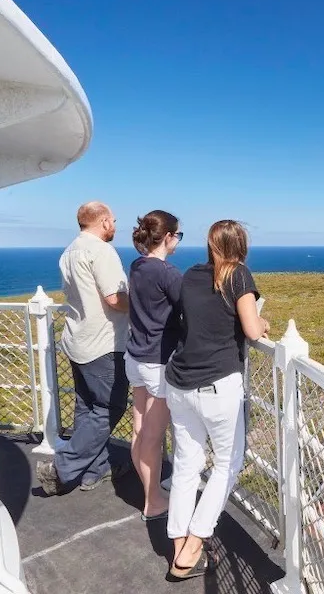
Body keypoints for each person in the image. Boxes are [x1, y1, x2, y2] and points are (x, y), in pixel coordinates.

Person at [163, 220, 269, 581]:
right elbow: (252, 329)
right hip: (215, 386)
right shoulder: (238, 275)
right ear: (241, 246)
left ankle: (177, 546)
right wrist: (262, 321)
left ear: (210, 245)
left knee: (186, 463)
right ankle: (195, 541)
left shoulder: (191, 274)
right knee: (227, 464)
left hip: (179, 383)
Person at [36, 201, 131, 495]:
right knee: (109, 408)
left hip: (77, 338)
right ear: (103, 221)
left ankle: (96, 469)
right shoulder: (101, 251)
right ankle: (63, 467)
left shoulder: (68, 253)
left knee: (87, 407)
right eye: (113, 220)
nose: (115, 226)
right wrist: (140, 307)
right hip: (103, 342)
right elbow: (114, 298)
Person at [126, 210, 184, 521]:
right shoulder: (168, 273)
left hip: (135, 357)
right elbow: (190, 309)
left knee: (140, 430)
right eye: (178, 235)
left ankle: (151, 491)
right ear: (169, 236)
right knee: (152, 436)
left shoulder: (138, 266)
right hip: (158, 362)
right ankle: (153, 502)